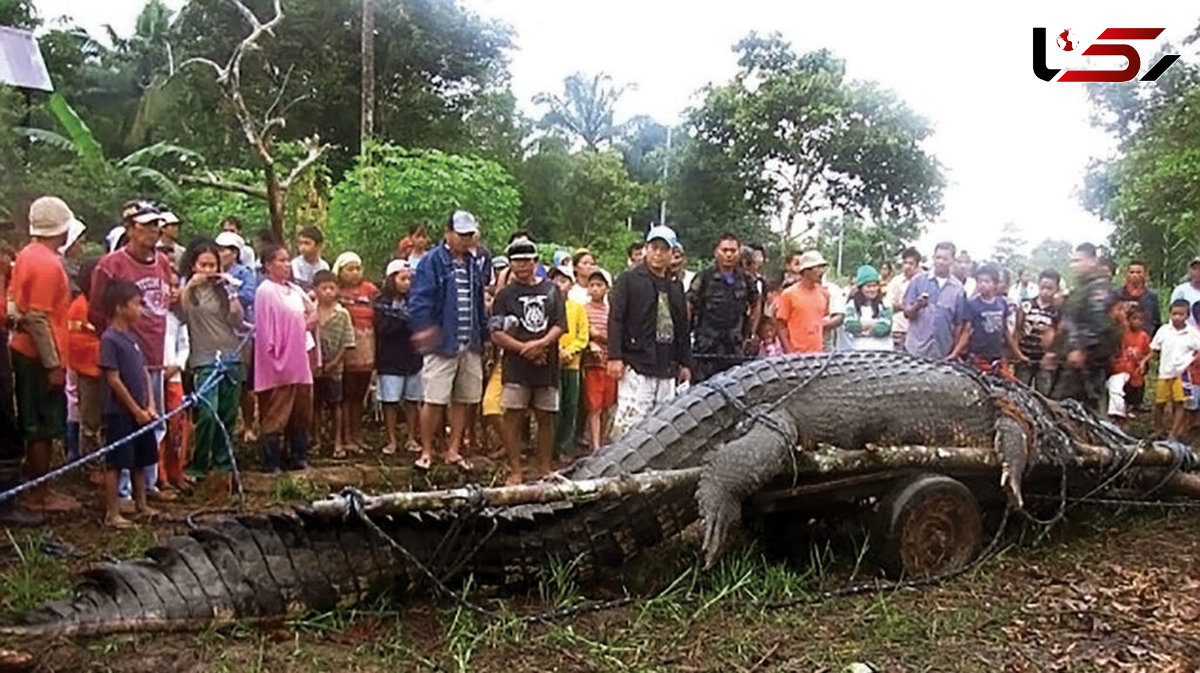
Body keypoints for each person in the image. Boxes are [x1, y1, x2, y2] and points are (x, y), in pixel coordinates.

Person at [89, 200, 177, 504]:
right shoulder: (111, 265)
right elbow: (96, 308)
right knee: (126, 422)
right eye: (147, 225)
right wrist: (114, 341)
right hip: (123, 353)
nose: (154, 231)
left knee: (155, 421)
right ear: (131, 229)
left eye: (157, 225)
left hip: (154, 350)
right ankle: (123, 492)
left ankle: (148, 485)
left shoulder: (163, 263)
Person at [9, 196, 81, 515]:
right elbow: (37, 318)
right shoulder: (47, 264)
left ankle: (37, 486)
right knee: (41, 425)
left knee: (36, 421)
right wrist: (53, 364)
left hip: (27, 350)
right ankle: (40, 492)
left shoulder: (27, 253)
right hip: (39, 355)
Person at [409, 211, 488, 471]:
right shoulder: (432, 262)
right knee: (434, 399)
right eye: (461, 234)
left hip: (470, 340)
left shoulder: (473, 263)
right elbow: (420, 300)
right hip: (442, 342)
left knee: (464, 398)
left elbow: (478, 302)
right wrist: (424, 329)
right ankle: (427, 451)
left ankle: (453, 450)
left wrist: (484, 335)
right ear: (448, 233)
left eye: (469, 235)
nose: (466, 240)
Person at [490, 237, 566, 484]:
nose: (522, 266)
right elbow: (496, 332)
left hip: (547, 362)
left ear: (535, 261)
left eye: (526, 260)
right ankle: (516, 469)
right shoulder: (504, 296)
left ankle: (544, 468)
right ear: (510, 264)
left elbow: (559, 325)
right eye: (517, 261)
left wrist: (540, 344)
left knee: (546, 416)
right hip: (516, 364)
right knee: (513, 415)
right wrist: (524, 348)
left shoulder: (552, 290)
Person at [608, 226, 693, 438]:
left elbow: (682, 326)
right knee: (630, 422)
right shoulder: (629, 279)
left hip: (666, 364)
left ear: (672, 253)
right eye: (654, 248)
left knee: (662, 425)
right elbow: (616, 318)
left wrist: (685, 362)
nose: (658, 254)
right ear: (646, 249)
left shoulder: (675, 286)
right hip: (637, 361)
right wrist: (615, 356)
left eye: (663, 249)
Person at [179, 241, 243, 480]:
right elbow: (179, 312)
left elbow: (237, 320)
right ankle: (199, 462)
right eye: (202, 265)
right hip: (203, 358)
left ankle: (223, 463)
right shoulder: (188, 289)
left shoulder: (223, 289)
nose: (207, 270)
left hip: (230, 355)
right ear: (193, 266)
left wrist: (232, 293)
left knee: (227, 413)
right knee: (207, 412)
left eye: (212, 265)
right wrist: (190, 287)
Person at [98, 281, 159, 529]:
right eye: (136, 304)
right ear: (120, 307)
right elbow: (113, 379)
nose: (141, 310)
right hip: (119, 412)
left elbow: (143, 372)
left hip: (141, 410)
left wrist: (150, 404)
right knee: (116, 461)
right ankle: (113, 512)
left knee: (140, 458)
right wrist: (134, 409)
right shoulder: (109, 339)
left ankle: (141, 503)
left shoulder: (133, 338)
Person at [255, 243, 316, 472]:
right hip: (279, 359)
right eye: (281, 260)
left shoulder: (294, 289)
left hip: (300, 357)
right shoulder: (266, 290)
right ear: (269, 265)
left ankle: (298, 455)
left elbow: (312, 313)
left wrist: (305, 323)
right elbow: (265, 330)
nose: (287, 264)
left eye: (288, 260)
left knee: (302, 409)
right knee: (278, 409)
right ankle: (272, 460)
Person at [1052, 243, 1118, 414]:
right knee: (1064, 405)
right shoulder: (1081, 288)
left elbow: (1099, 322)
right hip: (1074, 356)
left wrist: (1082, 349)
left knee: (1091, 404)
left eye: (1079, 260)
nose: (1075, 265)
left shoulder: (1098, 288)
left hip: (1090, 358)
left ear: (1092, 261)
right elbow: (1072, 319)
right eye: (1073, 261)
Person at [688, 232, 760, 381]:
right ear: (716, 252)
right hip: (706, 348)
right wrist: (686, 333)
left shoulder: (746, 279)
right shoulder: (704, 277)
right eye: (724, 250)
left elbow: (756, 303)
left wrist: (751, 333)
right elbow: (689, 304)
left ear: (739, 252)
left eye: (733, 251)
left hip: (734, 347)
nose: (729, 255)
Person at [374, 259, 423, 455]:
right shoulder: (381, 303)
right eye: (402, 279)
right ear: (392, 279)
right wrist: (401, 321)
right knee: (390, 401)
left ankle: (411, 438)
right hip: (390, 358)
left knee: (412, 400)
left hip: (413, 357)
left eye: (409, 279)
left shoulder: (417, 301)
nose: (407, 283)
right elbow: (383, 328)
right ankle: (391, 440)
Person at [332, 252, 377, 452]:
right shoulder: (336, 292)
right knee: (346, 395)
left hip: (367, 346)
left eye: (357, 268)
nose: (355, 273)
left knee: (360, 394)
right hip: (347, 348)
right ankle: (345, 436)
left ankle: (357, 436)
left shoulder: (370, 290)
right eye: (350, 269)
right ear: (340, 271)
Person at [949, 264, 1027, 375]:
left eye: (987, 281)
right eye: (980, 281)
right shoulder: (972, 304)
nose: (982, 285)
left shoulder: (1002, 304)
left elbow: (1005, 332)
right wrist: (955, 353)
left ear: (995, 284)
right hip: (977, 355)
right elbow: (967, 331)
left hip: (997, 355)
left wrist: (1018, 353)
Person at [310, 269, 354, 457]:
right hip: (314, 368)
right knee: (315, 406)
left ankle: (338, 442)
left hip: (335, 368)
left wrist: (335, 363)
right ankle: (316, 441)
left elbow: (347, 342)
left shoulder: (342, 314)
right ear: (316, 290)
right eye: (324, 288)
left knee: (336, 404)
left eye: (331, 288)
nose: (328, 292)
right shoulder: (310, 311)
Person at [1144, 299, 1200, 441]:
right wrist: (1145, 361)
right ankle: (1158, 429)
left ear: (1187, 315)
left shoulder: (1192, 333)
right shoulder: (1164, 331)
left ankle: (1173, 433)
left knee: (1179, 403)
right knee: (1159, 403)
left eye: (1181, 314)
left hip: (1182, 374)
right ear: (1170, 314)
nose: (1177, 317)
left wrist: (1192, 362)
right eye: (1174, 314)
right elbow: (1154, 348)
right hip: (1165, 372)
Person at [903, 242, 967, 360]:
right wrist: (917, 306)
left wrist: (954, 351)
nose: (941, 262)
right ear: (933, 258)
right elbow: (907, 312)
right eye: (938, 258)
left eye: (945, 259)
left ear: (952, 260)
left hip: (942, 352)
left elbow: (959, 324)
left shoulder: (958, 289)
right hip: (915, 349)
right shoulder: (918, 281)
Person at [549, 264, 588, 458]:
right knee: (551, 406)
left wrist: (569, 351)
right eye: (556, 280)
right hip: (551, 363)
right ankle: (549, 447)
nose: (559, 284)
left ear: (571, 284)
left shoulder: (578, 308)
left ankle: (564, 446)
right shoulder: (547, 305)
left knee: (570, 405)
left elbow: (583, 335)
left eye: (563, 281)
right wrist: (557, 351)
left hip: (572, 364)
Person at [582, 269, 616, 451]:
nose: (595, 289)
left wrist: (599, 336)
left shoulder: (611, 311)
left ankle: (602, 443)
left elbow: (612, 335)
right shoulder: (584, 310)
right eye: (592, 285)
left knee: (607, 405)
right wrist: (592, 340)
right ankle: (595, 445)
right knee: (594, 406)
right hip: (592, 364)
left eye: (599, 285)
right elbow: (585, 333)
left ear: (607, 288)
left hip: (608, 362)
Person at [1015, 269, 1061, 394]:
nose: (1045, 291)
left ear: (1056, 288)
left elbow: (1060, 335)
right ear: (1038, 285)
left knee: (1044, 395)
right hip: (1025, 358)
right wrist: (1018, 354)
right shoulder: (1026, 305)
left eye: (1050, 288)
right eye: (1043, 287)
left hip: (1044, 362)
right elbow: (1017, 330)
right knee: (1020, 394)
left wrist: (1052, 356)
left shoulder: (1058, 311)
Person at [775, 251, 831, 354]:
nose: (821, 271)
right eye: (817, 267)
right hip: (796, 354)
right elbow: (780, 326)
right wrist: (789, 353)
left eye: (823, 267)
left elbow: (822, 321)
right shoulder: (789, 294)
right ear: (806, 270)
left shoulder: (824, 294)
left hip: (818, 354)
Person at [1108, 305, 1151, 422]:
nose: (1137, 322)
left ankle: (1131, 407)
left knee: (1135, 388)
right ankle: (1119, 411)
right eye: (1134, 318)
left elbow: (1149, 352)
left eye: (1140, 319)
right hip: (1123, 366)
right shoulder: (1123, 334)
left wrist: (1142, 360)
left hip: (1136, 367)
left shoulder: (1144, 336)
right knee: (1121, 386)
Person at [844, 265, 893, 351]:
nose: (872, 289)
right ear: (860, 288)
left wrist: (864, 328)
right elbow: (850, 325)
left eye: (875, 286)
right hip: (858, 350)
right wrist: (873, 323)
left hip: (882, 350)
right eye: (868, 286)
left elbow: (884, 328)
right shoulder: (852, 305)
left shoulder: (885, 304)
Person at [887, 248, 921, 350]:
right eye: (905, 263)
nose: (907, 267)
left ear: (917, 265)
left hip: (916, 332)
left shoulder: (922, 282)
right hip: (898, 330)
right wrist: (907, 307)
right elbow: (888, 305)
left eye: (911, 264)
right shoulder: (896, 282)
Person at [1116, 260, 1160, 337]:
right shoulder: (1117, 294)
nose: (1135, 275)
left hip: (1144, 339)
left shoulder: (1151, 296)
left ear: (1145, 275)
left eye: (1138, 272)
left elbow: (1155, 321)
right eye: (1132, 272)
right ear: (1127, 274)